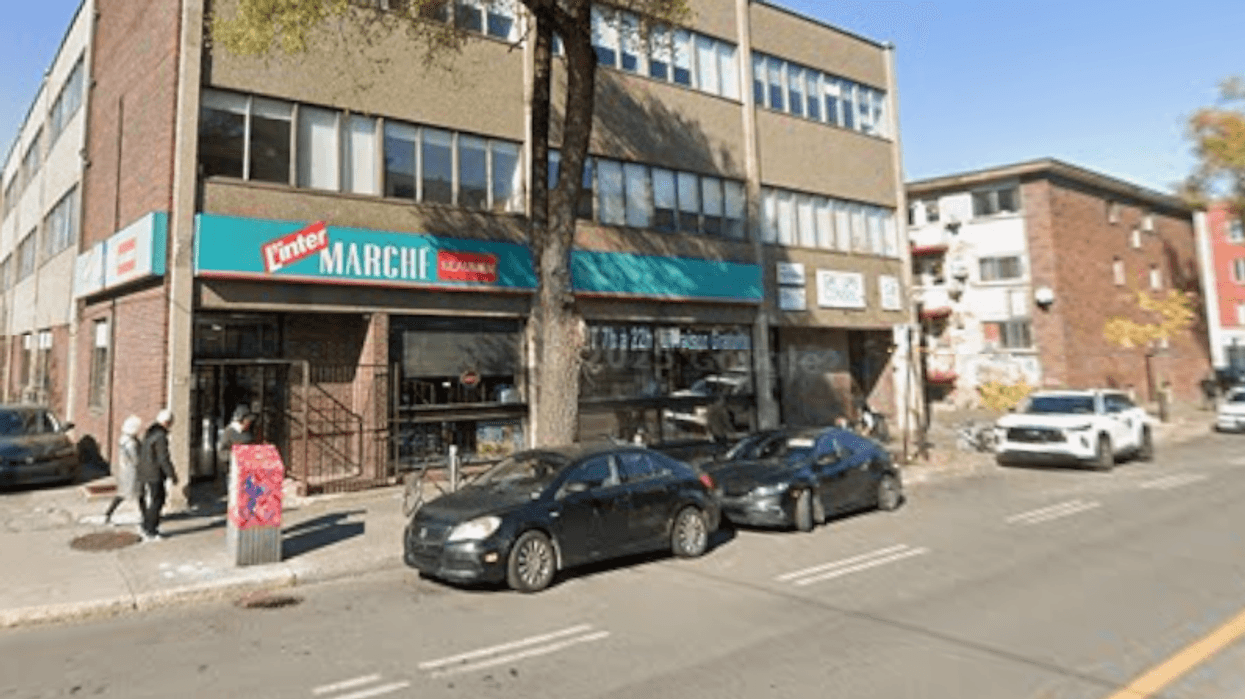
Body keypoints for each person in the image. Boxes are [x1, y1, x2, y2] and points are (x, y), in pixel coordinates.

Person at [137, 409, 178, 542]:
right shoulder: (160, 436)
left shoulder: (150, 432)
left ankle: (146, 524)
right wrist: (171, 474)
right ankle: (150, 529)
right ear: (166, 422)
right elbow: (163, 458)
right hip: (155, 472)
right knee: (158, 500)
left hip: (146, 470)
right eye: (170, 423)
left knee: (155, 499)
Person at [102, 415, 143, 526]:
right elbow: (136, 459)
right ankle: (108, 514)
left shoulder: (124, 439)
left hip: (125, 471)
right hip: (132, 473)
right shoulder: (131, 443)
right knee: (132, 494)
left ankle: (108, 514)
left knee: (134, 494)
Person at [217, 406, 256, 473]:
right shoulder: (229, 432)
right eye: (248, 420)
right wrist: (235, 455)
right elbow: (221, 453)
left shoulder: (248, 432)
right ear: (241, 420)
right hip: (232, 470)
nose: (249, 423)